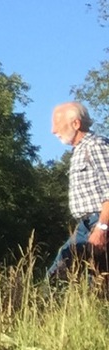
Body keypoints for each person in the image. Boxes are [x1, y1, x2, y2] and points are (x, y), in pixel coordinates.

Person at [48, 102, 109, 281]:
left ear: (76, 124)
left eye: (57, 124)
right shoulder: (80, 150)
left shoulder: (96, 146)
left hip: (98, 221)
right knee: (79, 279)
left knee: (59, 277)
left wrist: (102, 228)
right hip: (86, 225)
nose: (53, 130)